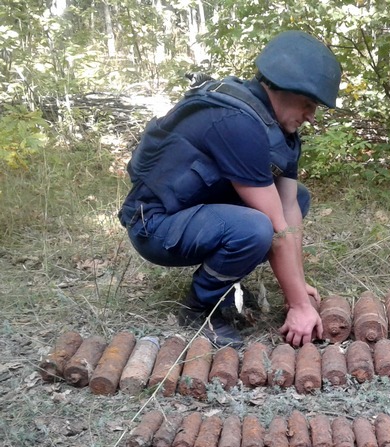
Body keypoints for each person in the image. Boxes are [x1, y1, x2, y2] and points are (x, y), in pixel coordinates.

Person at [118, 31, 342, 348]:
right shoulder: (236, 121)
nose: (311, 115)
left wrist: (298, 289)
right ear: (280, 88)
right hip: (155, 226)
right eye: (307, 103)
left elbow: (289, 209)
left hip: (196, 213)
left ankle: (223, 284)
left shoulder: (280, 131)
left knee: (296, 199)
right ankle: (199, 309)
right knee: (255, 228)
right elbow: (276, 228)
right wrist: (301, 307)